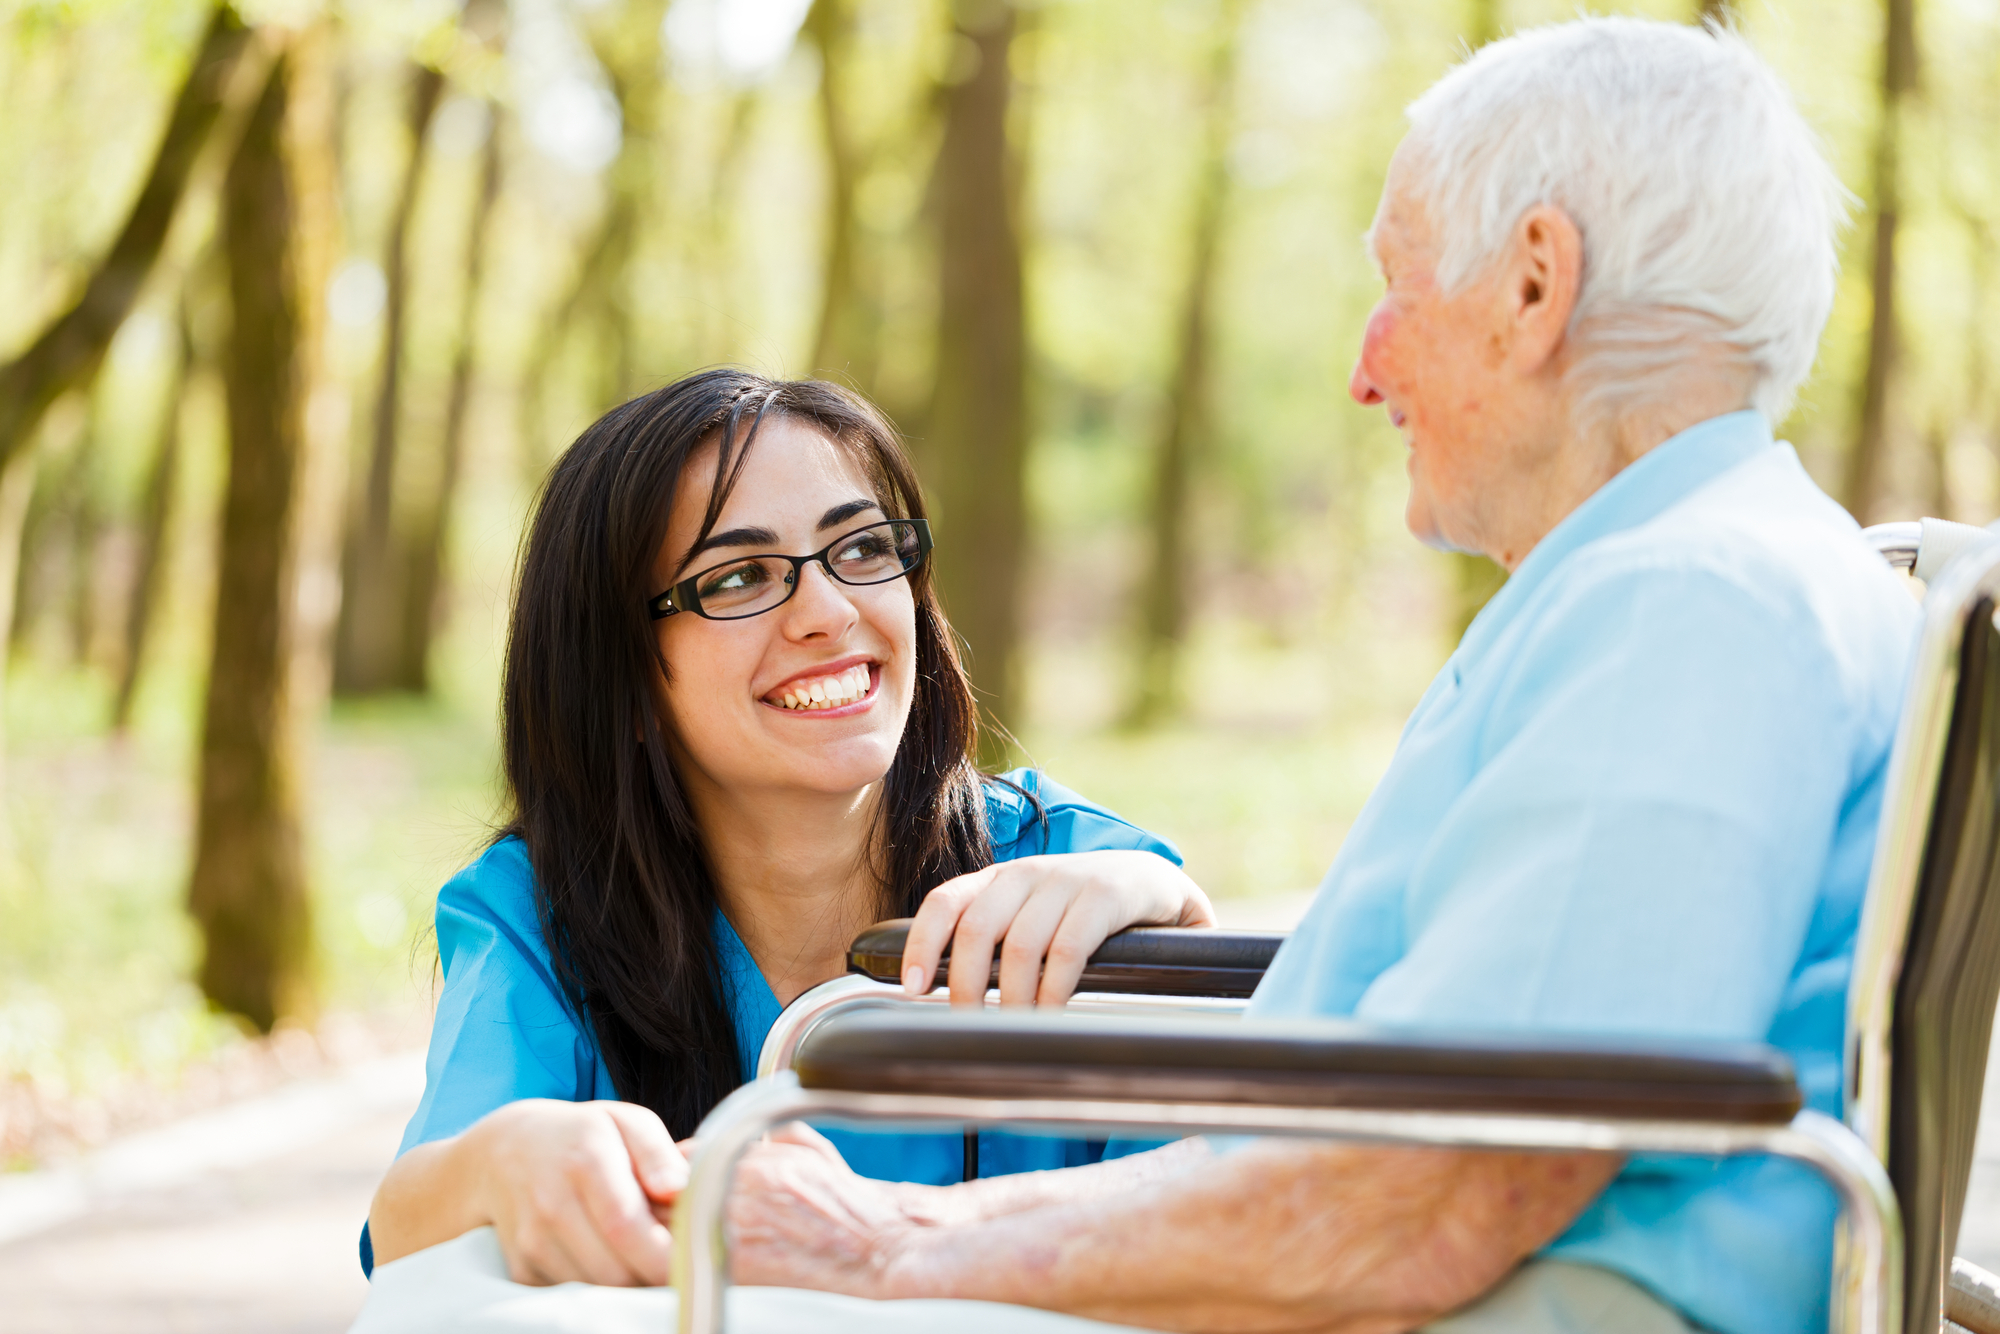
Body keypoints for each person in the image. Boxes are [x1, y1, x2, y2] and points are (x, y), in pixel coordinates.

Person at [721, 18, 1920, 1334]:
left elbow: (1436, 1188)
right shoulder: (1680, 580)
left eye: (1399, 287)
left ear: (1533, 288)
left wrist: (886, 1243)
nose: (1366, 367)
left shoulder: (1688, 607)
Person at [360, 371, 1214, 1286]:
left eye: (861, 548)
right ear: (625, 681)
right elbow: (409, 1222)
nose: (830, 612)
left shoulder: (1069, 867)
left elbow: (1255, 1187)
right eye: (737, 577)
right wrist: (504, 1162)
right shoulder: (545, 914)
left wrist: (1171, 909)